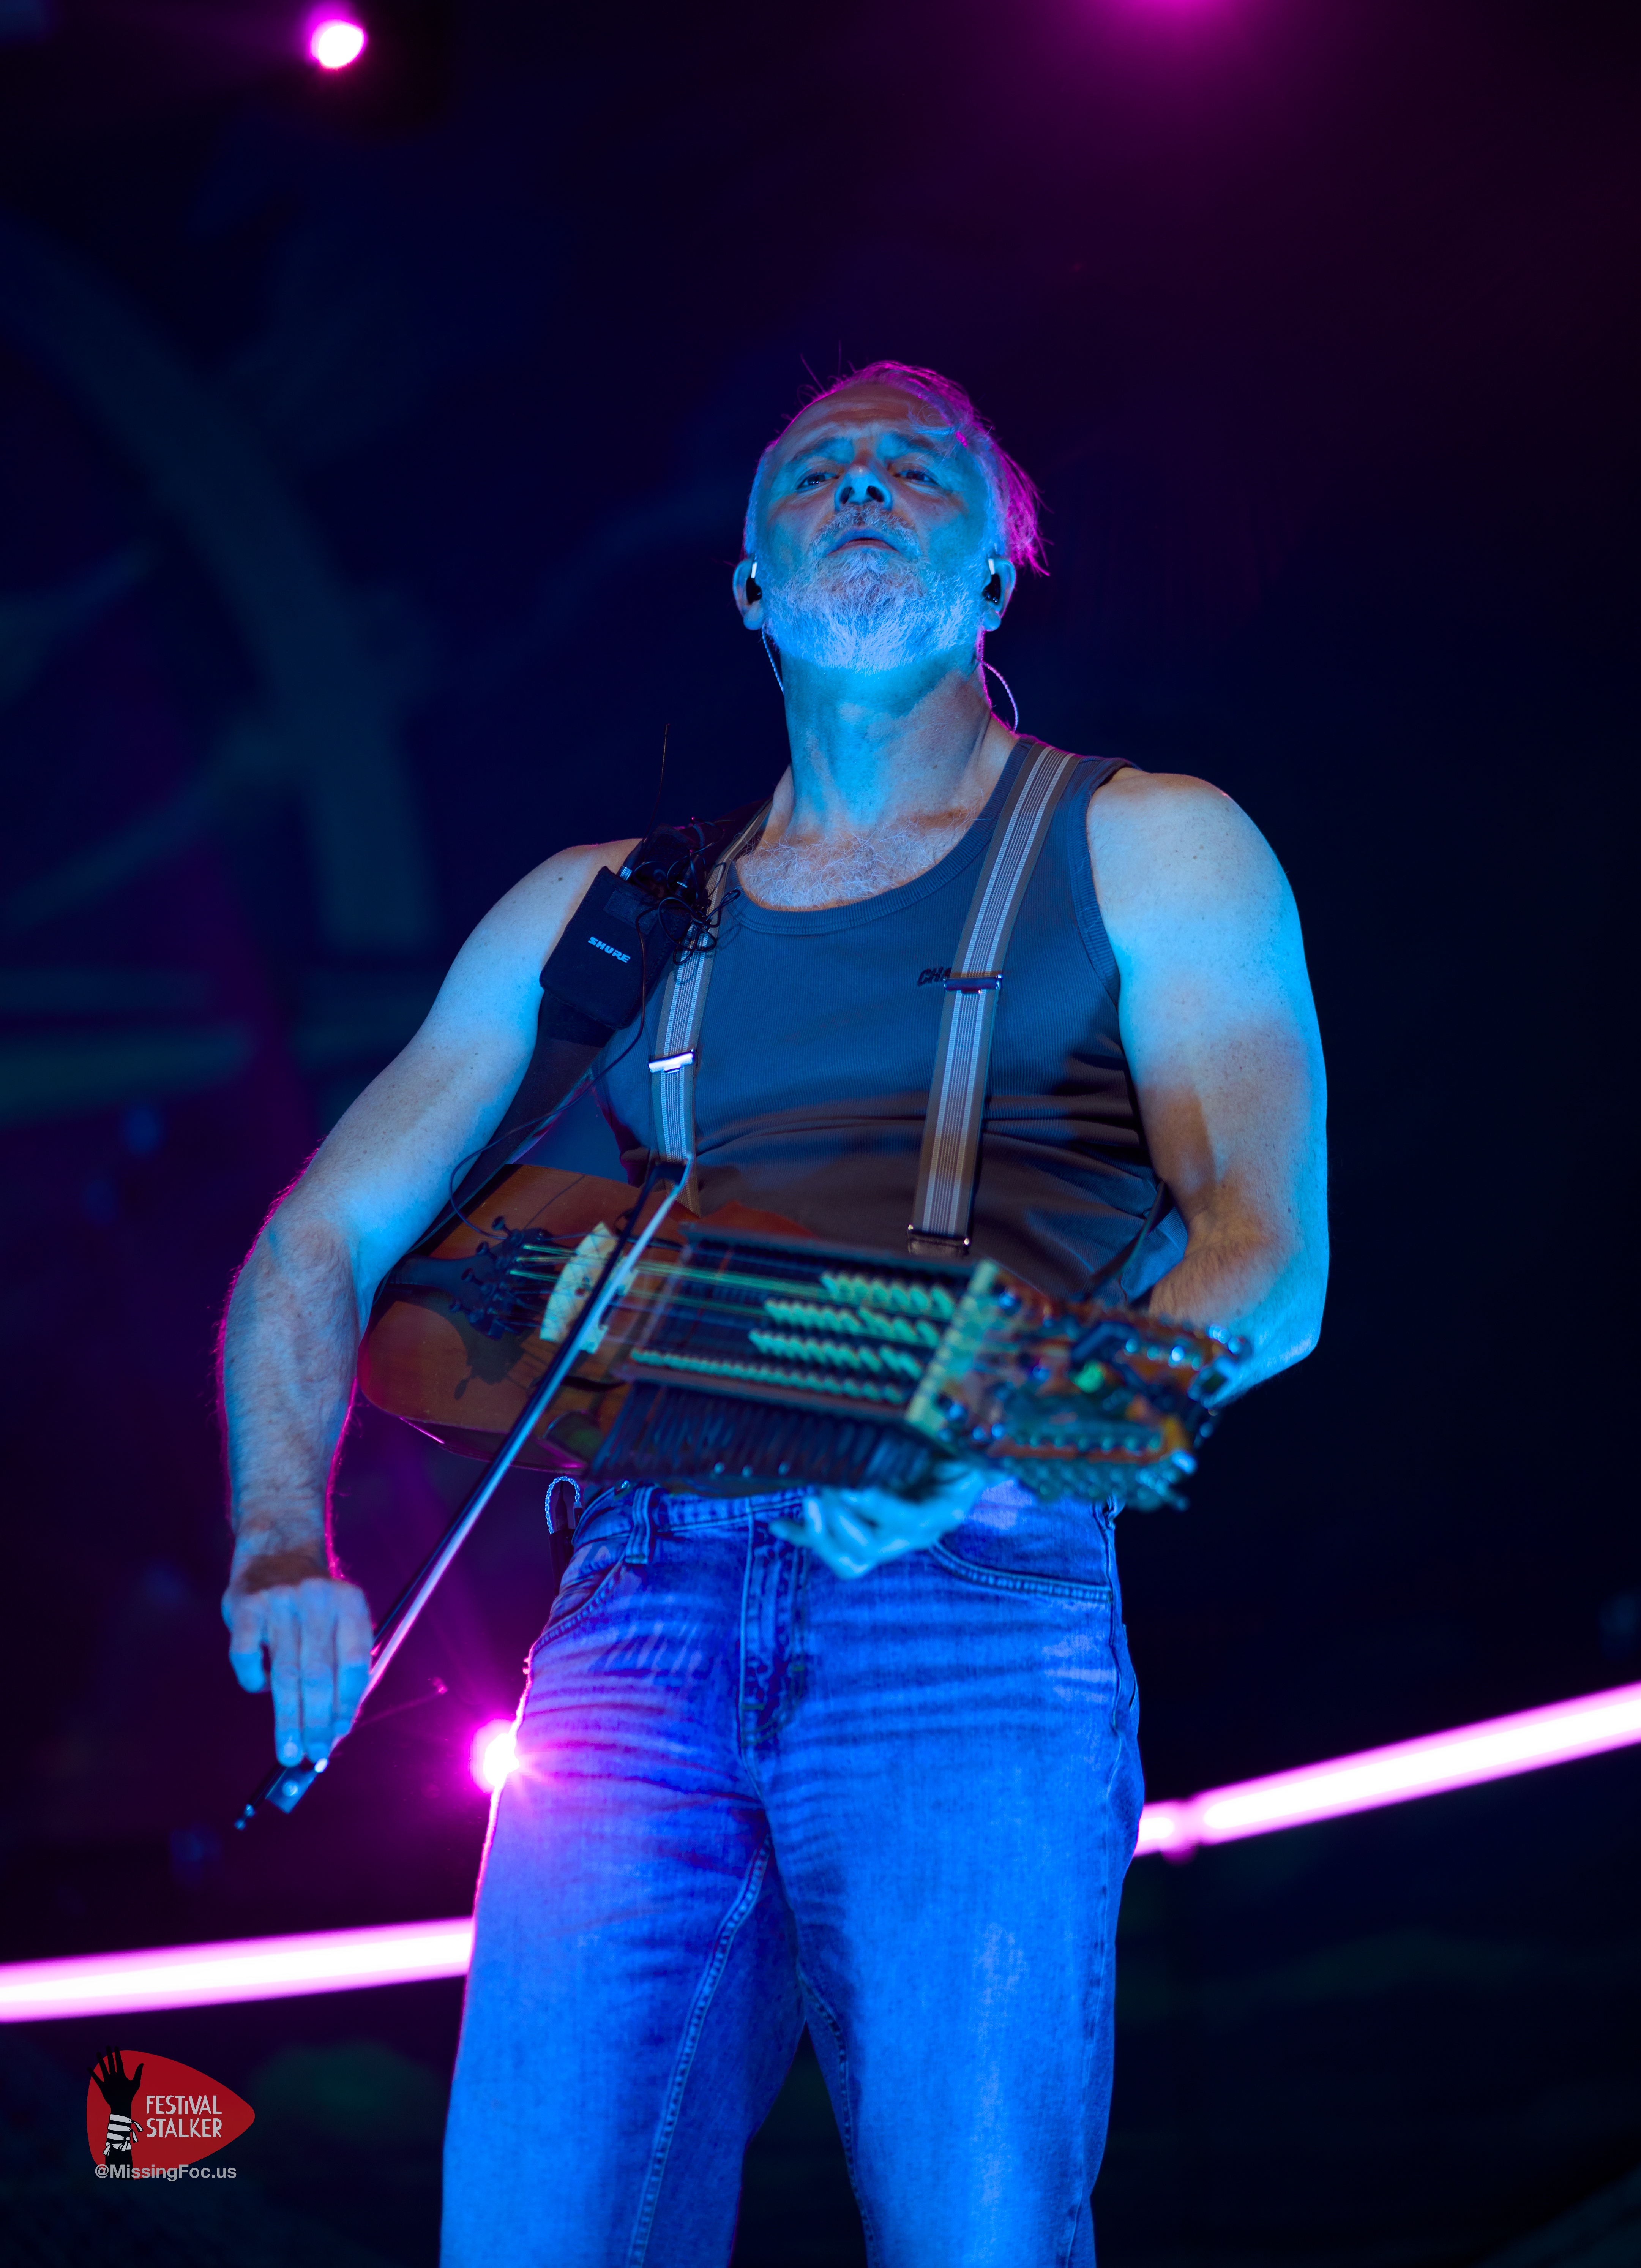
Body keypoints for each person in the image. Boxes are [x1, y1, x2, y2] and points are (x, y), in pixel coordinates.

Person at [219, 361, 1327, 2266]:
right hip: (629, 1613)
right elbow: (315, 1237)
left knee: (977, 2233)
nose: (866, 487)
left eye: (921, 468)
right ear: (748, 580)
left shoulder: (1153, 841)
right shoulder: (602, 906)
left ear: (999, 570)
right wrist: (273, 1539)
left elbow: (1269, 1266)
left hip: (978, 1590)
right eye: (818, 471)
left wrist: (993, 1432)